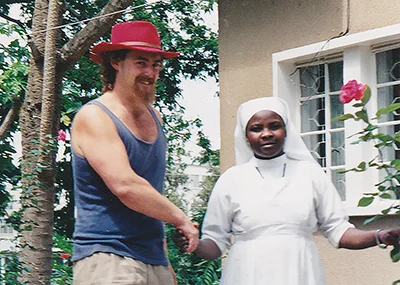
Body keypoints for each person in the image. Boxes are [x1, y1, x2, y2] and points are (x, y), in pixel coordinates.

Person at [174, 96, 400, 285]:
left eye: (274, 126)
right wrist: (193, 244)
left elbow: (339, 231)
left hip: (301, 271)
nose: (266, 134)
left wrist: (380, 236)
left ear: (286, 130)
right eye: (256, 128)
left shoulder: (310, 174)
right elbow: (214, 244)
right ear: (246, 136)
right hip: (246, 274)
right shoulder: (231, 180)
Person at [71, 21, 199, 285]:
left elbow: (150, 193)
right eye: (141, 62)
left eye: (156, 64)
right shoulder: (95, 116)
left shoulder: (155, 118)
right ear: (116, 62)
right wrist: (181, 219)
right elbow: (126, 186)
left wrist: (166, 265)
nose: (150, 72)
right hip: (108, 259)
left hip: (152, 259)